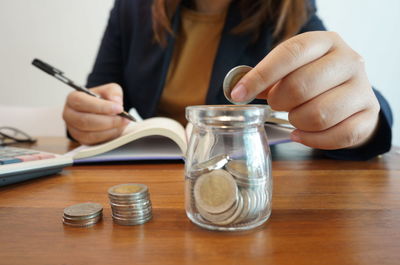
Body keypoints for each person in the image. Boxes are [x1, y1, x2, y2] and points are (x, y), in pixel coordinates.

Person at [62, 0, 392, 160]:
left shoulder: (287, 9)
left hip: (243, 177)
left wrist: (366, 120)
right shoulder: (131, 8)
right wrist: (86, 116)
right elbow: (97, 94)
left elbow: (346, 92)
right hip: (149, 178)